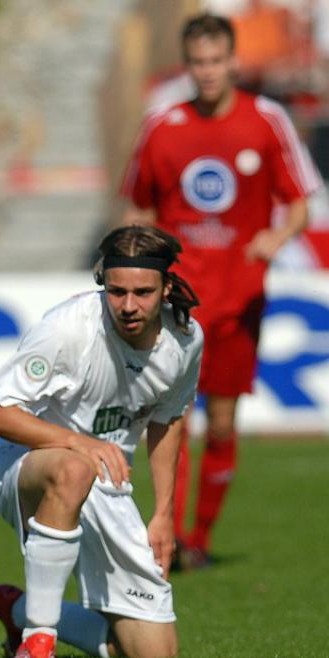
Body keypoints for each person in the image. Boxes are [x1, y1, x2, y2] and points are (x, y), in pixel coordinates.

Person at [120, 13, 321, 568]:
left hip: (239, 296)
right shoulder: (163, 126)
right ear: (187, 66)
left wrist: (275, 236)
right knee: (169, 419)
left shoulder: (266, 120)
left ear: (233, 62)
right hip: (178, 302)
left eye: (216, 61)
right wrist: (140, 263)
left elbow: (301, 201)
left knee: (224, 421)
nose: (207, 73)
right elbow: (138, 203)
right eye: (197, 63)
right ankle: (173, 538)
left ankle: (201, 536)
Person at [0, 225, 203, 658]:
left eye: (142, 292)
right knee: (74, 468)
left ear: (167, 287)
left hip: (110, 480)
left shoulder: (185, 339)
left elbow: (168, 420)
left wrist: (162, 516)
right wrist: (75, 442)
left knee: (153, 654)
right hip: (27, 466)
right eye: (116, 291)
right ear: (103, 282)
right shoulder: (68, 329)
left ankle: (20, 611)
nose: (127, 305)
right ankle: (38, 643)